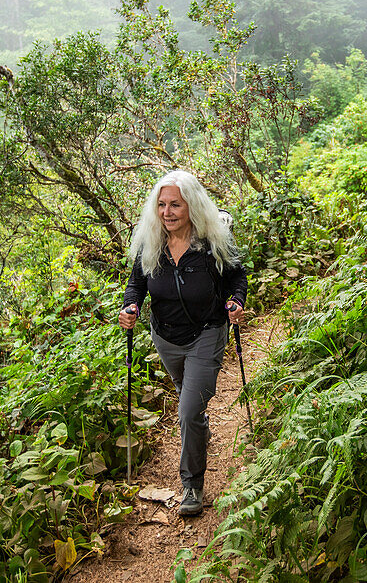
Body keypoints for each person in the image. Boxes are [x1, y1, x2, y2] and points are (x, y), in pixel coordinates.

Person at [119, 170, 247, 516]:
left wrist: (236, 301)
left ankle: (192, 484)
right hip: (165, 337)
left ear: (191, 205)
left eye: (175, 204)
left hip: (207, 332)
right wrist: (130, 306)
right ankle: (197, 431)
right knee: (188, 402)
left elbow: (236, 275)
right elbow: (136, 285)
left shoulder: (211, 242)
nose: (167, 212)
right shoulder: (150, 243)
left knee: (188, 410)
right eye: (161, 205)